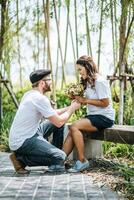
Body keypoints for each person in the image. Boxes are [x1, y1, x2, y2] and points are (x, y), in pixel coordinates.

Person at [9, 69, 80, 174]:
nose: (51, 82)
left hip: (27, 134)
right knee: (61, 156)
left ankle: (56, 155)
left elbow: (53, 114)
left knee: (57, 128)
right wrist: (72, 108)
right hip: (24, 140)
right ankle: (21, 160)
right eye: (49, 80)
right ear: (42, 83)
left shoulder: (29, 94)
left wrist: (69, 107)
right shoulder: (39, 99)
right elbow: (59, 121)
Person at [63, 55, 115, 173]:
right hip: (93, 116)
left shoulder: (100, 81)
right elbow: (90, 100)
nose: (79, 73)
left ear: (87, 67)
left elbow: (105, 103)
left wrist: (85, 100)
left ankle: (82, 161)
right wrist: (77, 98)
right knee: (73, 130)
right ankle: (58, 161)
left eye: (80, 69)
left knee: (74, 126)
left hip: (105, 117)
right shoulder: (88, 82)